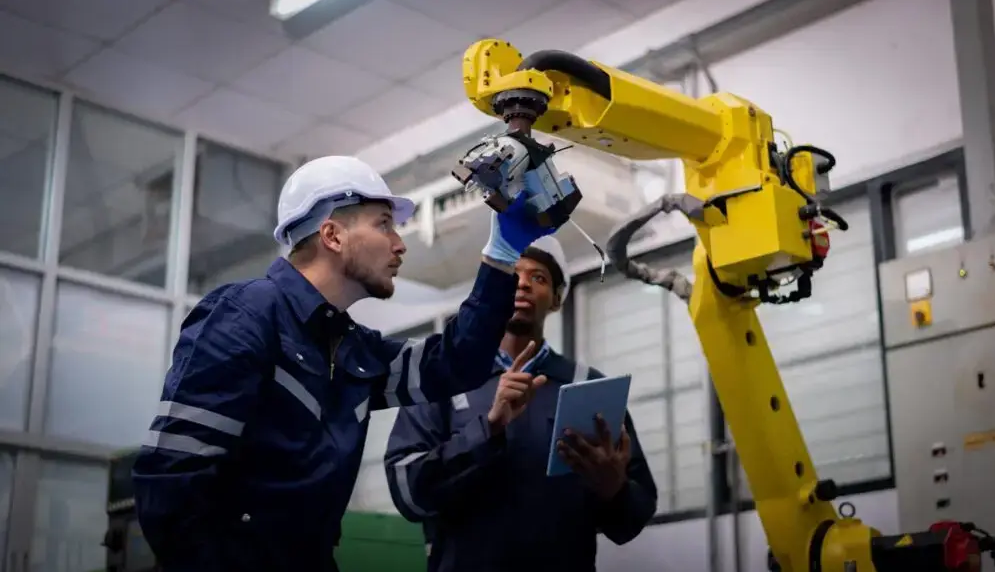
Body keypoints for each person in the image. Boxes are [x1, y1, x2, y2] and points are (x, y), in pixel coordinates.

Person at [131, 155, 557, 572]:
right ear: (333, 236)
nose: (399, 243)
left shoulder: (350, 348)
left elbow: (455, 363)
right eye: (384, 224)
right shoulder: (245, 315)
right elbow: (172, 480)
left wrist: (501, 253)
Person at [384, 236, 658, 572]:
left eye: (538, 277)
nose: (523, 285)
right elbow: (408, 492)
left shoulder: (589, 387)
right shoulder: (442, 377)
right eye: (512, 276)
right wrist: (488, 429)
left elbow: (632, 519)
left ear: (557, 299)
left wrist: (614, 490)